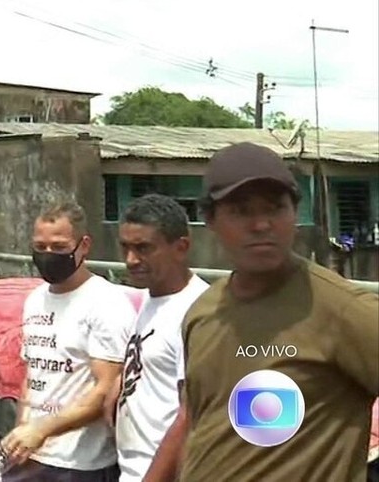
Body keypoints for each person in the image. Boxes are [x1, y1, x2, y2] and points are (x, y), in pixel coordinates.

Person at [144, 143, 379, 482]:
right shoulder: (203, 313)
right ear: (209, 220)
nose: (261, 225)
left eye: (275, 208)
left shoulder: (342, 310)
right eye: (241, 211)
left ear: (294, 213)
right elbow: (196, 421)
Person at [1, 201, 134, 482]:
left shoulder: (105, 303)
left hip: (78, 463)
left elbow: (107, 389)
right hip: (32, 453)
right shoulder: (35, 299)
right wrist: (24, 428)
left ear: (83, 246)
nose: (48, 255)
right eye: (40, 247)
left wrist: (42, 430)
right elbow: (33, 373)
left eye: (59, 248)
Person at [101, 194, 208, 482]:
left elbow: (191, 414)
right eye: (125, 247)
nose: (131, 260)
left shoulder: (196, 312)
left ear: (181, 247)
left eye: (143, 248)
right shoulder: (153, 297)